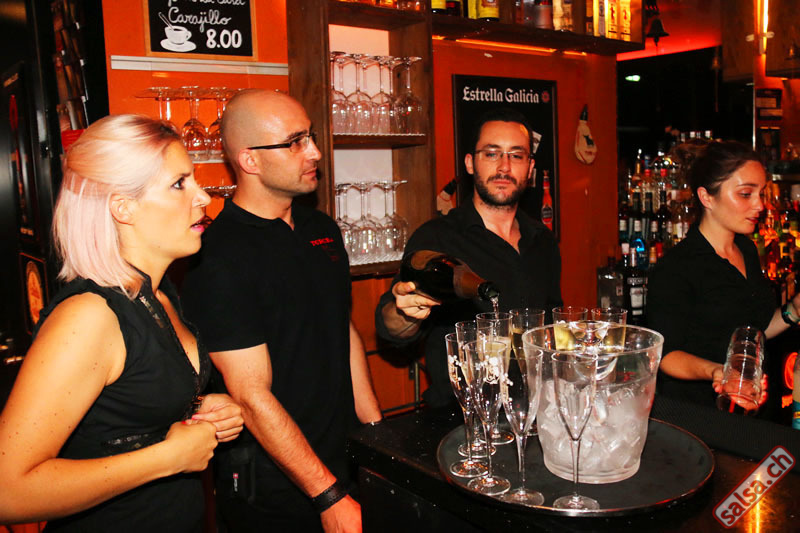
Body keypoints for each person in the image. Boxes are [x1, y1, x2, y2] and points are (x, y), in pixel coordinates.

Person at [0, 115, 244, 531]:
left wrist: (196, 408)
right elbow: (8, 492)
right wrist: (168, 458)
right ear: (122, 207)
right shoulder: (88, 317)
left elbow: (120, 412)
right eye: (179, 184)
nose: (203, 196)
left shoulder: (159, 293)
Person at [180, 89, 382, 533]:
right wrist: (327, 494)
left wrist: (375, 435)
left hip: (343, 457)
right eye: (294, 142)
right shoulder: (217, 256)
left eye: (310, 136)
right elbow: (250, 396)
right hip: (276, 484)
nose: (314, 152)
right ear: (249, 160)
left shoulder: (321, 227)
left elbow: (341, 328)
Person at [375, 107, 563, 408]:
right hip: (459, 417)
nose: (504, 166)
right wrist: (405, 313)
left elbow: (552, 329)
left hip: (535, 411)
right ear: (470, 163)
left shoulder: (543, 241)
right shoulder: (437, 239)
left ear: (530, 168)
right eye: (492, 154)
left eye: (516, 155)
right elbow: (391, 328)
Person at [647, 140, 800, 406]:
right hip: (701, 415)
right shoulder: (677, 267)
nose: (759, 205)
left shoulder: (746, 250)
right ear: (707, 197)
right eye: (746, 194)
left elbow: (754, 329)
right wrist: (720, 372)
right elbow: (666, 355)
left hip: (754, 408)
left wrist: (793, 311)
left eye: (761, 193)